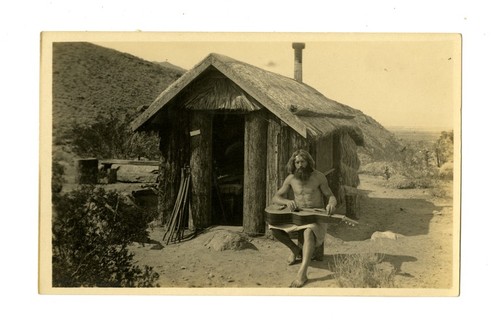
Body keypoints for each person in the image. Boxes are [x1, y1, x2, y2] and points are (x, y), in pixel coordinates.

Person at [270, 149, 337, 288]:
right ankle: (295, 250)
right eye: (297, 162)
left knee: (308, 231)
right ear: (293, 164)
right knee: (274, 228)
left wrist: (331, 204)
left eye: (303, 161)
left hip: (315, 217)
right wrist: (287, 202)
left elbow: (330, 195)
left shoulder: (319, 177)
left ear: (308, 162)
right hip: (298, 216)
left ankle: (302, 274)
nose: (300, 165)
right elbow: (276, 197)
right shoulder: (291, 179)